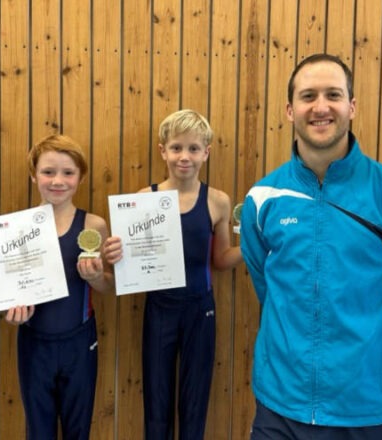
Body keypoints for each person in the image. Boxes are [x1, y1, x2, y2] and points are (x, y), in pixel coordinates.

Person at [239, 53, 382, 439]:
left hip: (365, 408)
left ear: (351, 106)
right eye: (308, 95)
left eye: (333, 94)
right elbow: (267, 286)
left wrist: (369, 341)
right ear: (289, 109)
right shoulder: (263, 198)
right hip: (280, 405)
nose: (320, 107)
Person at [103, 109, 242, 440]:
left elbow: (220, 261)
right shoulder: (143, 199)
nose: (185, 157)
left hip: (200, 310)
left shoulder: (218, 201)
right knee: (157, 399)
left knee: (195, 401)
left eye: (194, 149)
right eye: (177, 148)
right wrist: (114, 256)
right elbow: (126, 265)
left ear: (206, 153)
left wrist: (254, 245)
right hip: (160, 309)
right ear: (162, 150)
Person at [4, 134, 115, 440]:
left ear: (81, 178)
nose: (58, 181)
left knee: (78, 429)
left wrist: (95, 278)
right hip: (34, 341)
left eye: (68, 173)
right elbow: (9, 292)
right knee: (38, 431)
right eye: (48, 172)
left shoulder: (94, 225)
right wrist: (12, 313)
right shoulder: (17, 229)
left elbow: (110, 286)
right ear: (33, 175)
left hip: (80, 341)